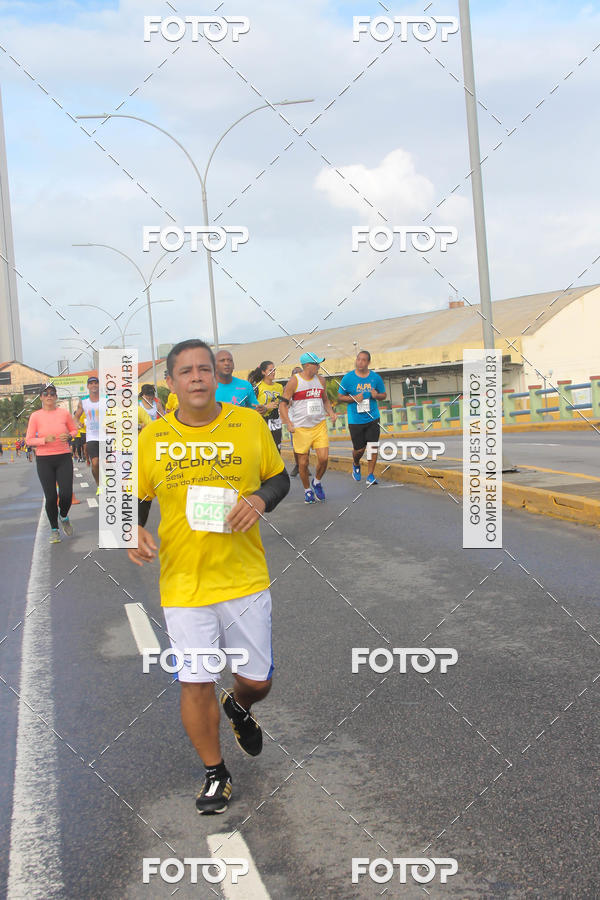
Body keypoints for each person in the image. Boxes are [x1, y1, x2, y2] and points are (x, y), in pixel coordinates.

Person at [128, 339, 290, 815]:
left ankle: (239, 705)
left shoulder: (248, 424)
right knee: (195, 680)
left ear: (215, 378)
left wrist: (259, 500)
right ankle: (215, 772)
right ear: (171, 383)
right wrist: (131, 528)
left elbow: (279, 478)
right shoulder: (151, 439)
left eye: (204, 369)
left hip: (244, 577)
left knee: (256, 681)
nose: (197, 377)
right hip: (184, 583)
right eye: (186, 371)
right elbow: (135, 499)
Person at [279, 352, 337, 503]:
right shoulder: (294, 381)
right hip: (301, 428)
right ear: (307, 366)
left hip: (319, 425)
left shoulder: (321, 380)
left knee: (323, 458)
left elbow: (325, 400)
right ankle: (307, 490)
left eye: (319, 364)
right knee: (303, 463)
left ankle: (316, 482)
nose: (318, 366)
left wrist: (331, 413)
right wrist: (288, 423)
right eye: (316, 364)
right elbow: (283, 404)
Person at [25, 384, 78, 542]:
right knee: (51, 496)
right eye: (46, 393)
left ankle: (64, 516)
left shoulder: (64, 413)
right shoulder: (35, 416)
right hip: (44, 460)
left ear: (56, 397)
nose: (49, 396)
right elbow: (29, 440)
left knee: (66, 493)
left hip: (63, 457)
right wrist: (43, 440)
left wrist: (69, 436)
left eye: (52, 393)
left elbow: (74, 430)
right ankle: (54, 530)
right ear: (41, 397)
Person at [337, 350, 387, 485]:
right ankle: (356, 463)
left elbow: (384, 395)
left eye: (363, 360)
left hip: (373, 417)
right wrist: (354, 398)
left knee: (372, 446)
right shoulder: (348, 378)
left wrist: (377, 395)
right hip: (355, 419)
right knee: (359, 449)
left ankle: (370, 475)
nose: (360, 362)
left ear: (368, 362)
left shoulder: (375, 378)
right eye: (358, 359)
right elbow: (340, 397)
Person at [248, 361, 284, 452]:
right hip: (261, 421)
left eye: (274, 370)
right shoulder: (257, 387)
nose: (273, 372)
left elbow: (283, 404)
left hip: (275, 422)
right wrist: (266, 407)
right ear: (263, 372)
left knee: (276, 450)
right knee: (263, 450)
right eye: (270, 370)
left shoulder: (279, 387)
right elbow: (250, 408)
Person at [75, 375, 101, 493]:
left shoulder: (106, 399)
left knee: (107, 463)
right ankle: (99, 485)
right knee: (95, 462)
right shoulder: (84, 401)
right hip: (92, 436)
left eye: (96, 383)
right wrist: (78, 424)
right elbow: (76, 417)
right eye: (91, 383)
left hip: (107, 436)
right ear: (88, 386)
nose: (94, 385)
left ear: (99, 385)